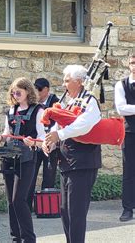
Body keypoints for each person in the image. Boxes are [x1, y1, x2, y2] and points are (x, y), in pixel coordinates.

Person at [43, 64, 101, 243]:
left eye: (67, 81)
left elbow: (83, 125)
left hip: (83, 163)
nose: (63, 85)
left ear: (79, 82)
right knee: (65, 211)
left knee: (76, 213)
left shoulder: (90, 101)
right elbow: (59, 125)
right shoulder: (69, 103)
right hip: (67, 162)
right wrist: (50, 142)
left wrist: (58, 135)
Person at [0, 77, 44, 243]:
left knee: (19, 199)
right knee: (11, 202)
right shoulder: (11, 111)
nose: (15, 94)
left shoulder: (38, 110)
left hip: (27, 159)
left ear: (28, 91)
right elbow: (7, 132)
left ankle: (29, 238)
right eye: (13, 91)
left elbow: (42, 137)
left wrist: (33, 141)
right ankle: (16, 238)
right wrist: (0, 138)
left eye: (19, 91)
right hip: (9, 158)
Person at [27, 78, 59, 209]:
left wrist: (52, 139)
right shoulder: (33, 103)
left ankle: (45, 206)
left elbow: (58, 122)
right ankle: (27, 205)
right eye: (35, 89)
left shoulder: (56, 103)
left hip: (51, 142)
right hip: (37, 142)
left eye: (39, 89)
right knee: (31, 174)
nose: (37, 92)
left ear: (47, 89)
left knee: (49, 173)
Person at [114, 55, 135, 222]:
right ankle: (128, 208)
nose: (134, 66)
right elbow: (121, 108)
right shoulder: (121, 84)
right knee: (129, 171)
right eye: (132, 63)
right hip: (130, 133)